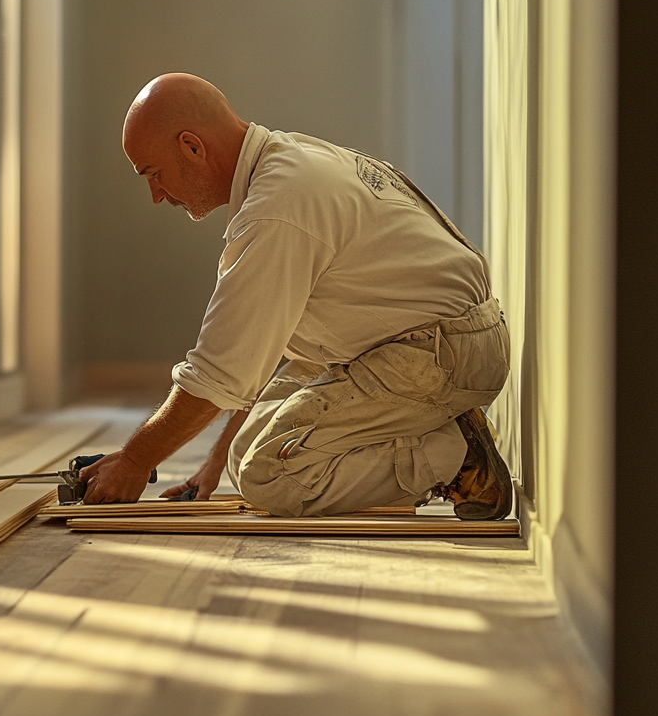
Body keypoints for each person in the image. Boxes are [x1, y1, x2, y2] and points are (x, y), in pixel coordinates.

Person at [79, 73, 513, 519]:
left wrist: (135, 461)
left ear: (192, 146)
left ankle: (454, 455)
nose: (155, 195)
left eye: (153, 174)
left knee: (270, 478)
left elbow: (219, 371)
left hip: (443, 355)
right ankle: (435, 428)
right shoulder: (293, 161)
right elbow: (248, 363)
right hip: (415, 344)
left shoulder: (278, 208)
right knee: (244, 450)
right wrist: (213, 461)